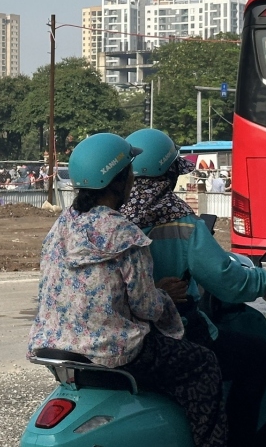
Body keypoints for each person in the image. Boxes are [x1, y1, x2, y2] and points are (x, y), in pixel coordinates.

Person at [29, 133, 228, 447]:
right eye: (130, 174)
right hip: (110, 349)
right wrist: (163, 293)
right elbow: (146, 307)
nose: (134, 181)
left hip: (52, 344)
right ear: (117, 181)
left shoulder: (62, 225)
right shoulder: (123, 233)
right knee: (203, 364)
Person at [123, 128, 266, 447]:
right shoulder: (181, 223)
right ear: (168, 177)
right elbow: (227, 280)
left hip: (120, 335)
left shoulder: (106, 220)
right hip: (174, 333)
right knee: (257, 356)